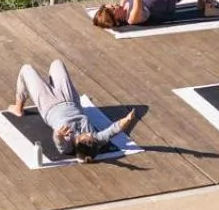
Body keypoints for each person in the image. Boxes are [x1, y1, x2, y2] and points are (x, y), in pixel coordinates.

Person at [10, 59, 138, 162]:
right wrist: (127, 119)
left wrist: (59, 134)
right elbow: (114, 130)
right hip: (70, 99)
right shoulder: (95, 140)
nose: (90, 134)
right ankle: (52, 83)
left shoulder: (68, 145)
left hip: (48, 105)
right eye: (92, 137)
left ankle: (18, 108)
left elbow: (58, 142)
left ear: (78, 143)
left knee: (26, 70)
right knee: (57, 63)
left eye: (87, 138)